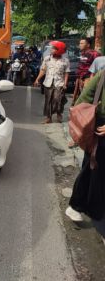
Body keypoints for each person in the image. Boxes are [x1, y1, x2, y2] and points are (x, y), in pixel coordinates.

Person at [67, 69, 105, 244]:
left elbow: (83, 99)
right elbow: (85, 97)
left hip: (96, 128)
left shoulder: (103, 72)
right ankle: (91, 212)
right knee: (94, 170)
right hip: (99, 130)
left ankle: (78, 205)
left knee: (91, 167)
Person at [33, 41, 70, 124]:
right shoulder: (47, 58)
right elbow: (43, 70)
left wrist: (65, 83)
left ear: (59, 50)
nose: (51, 50)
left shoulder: (65, 61)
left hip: (59, 83)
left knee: (58, 99)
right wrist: (37, 79)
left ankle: (59, 113)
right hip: (48, 82)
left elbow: (66, 73)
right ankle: (48, 118)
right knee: (48, 100)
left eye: (53, 48)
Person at [72, 37, 100, 103]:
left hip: (88, 78)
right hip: (80, 78)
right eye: (79, 43)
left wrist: (92, 79)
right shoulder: (82, 53)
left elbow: (98, 67)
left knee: (86, 96)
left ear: (88, 45)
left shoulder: (95, 54)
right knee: (79, 96)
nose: (80, 45)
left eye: (82, 43)